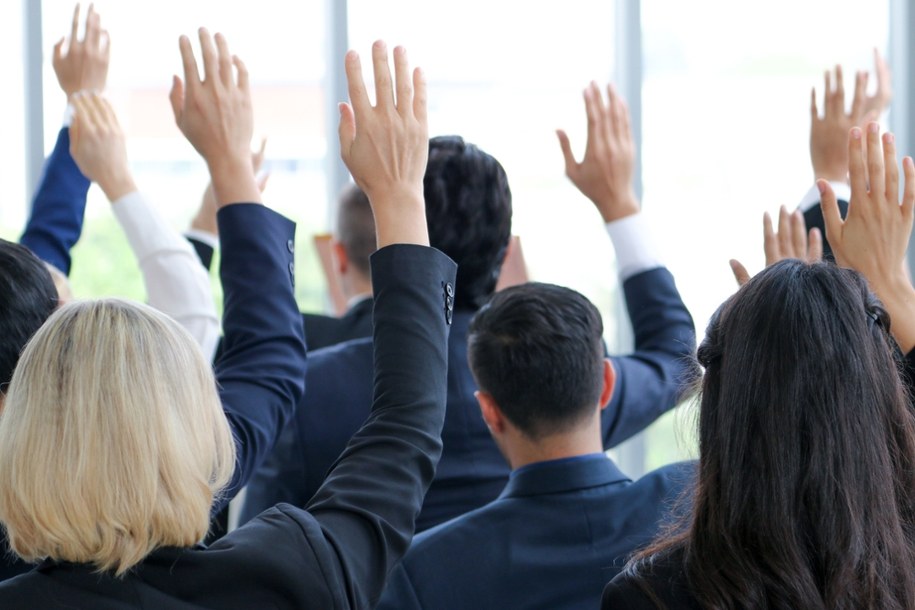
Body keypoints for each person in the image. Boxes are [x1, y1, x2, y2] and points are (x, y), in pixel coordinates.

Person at [0, 30, 456, 610]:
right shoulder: (291, 574)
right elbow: (405, 425)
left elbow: (402, 422)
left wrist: (397, 199)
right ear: (200, 430)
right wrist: (397, 195)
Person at [241, 81, 698, 530]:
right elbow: (675, 360)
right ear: (504, 256)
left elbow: (257, 563)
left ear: (389, 245)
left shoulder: (306, 392)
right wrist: (619, 204)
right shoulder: (558, 376)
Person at [602, 123, 915, 608]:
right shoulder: (901, 569)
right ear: (878, 398)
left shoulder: (649, 597)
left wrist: (774, 331)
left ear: (723, 406)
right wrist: (893, 288)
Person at [18, 3, 219, 359]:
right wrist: (117, 181)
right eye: (60, 304)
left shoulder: (18, 319)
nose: (65, 298)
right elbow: (188, 323)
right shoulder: (109, 403)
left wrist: (81, 103)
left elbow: (48, 233)